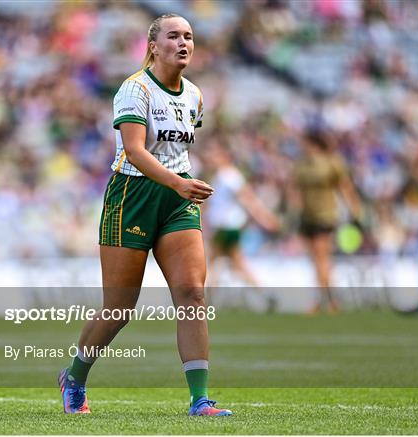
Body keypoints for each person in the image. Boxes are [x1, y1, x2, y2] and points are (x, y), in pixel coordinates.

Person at [58, 14, 232, 416]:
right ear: (154, 45)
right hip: (132, 195)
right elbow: (135, 151)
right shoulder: (134, 89)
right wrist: (178, 183)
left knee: (192, 294)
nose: (183, 43)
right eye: (174, 36)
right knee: (119, 308)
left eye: (189, 36)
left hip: (177, 198)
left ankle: (200, 399)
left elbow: (177, 149)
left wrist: (181, 184)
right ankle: (75, 377)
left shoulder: (194, 95)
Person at [292, 129, 363, 314]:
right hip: (307, 216)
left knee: (321, 257)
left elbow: (345, 187)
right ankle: (330, 301)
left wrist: (355, 211)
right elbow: (295, 189)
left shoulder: (331, 163)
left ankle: (321, 300)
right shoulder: (301, 165)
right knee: (316, 260)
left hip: (326, 215)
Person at [204, 143, 280, 307]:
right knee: (235, 263)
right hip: (225, 227)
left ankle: (206, 299)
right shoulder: (223, 176)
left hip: (226, 226)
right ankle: (265, 293)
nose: (211, 157)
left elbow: (248, 200)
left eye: (215, 154)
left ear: (225, 157)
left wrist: (265, 219)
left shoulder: (230, 176)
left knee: (213, 261)